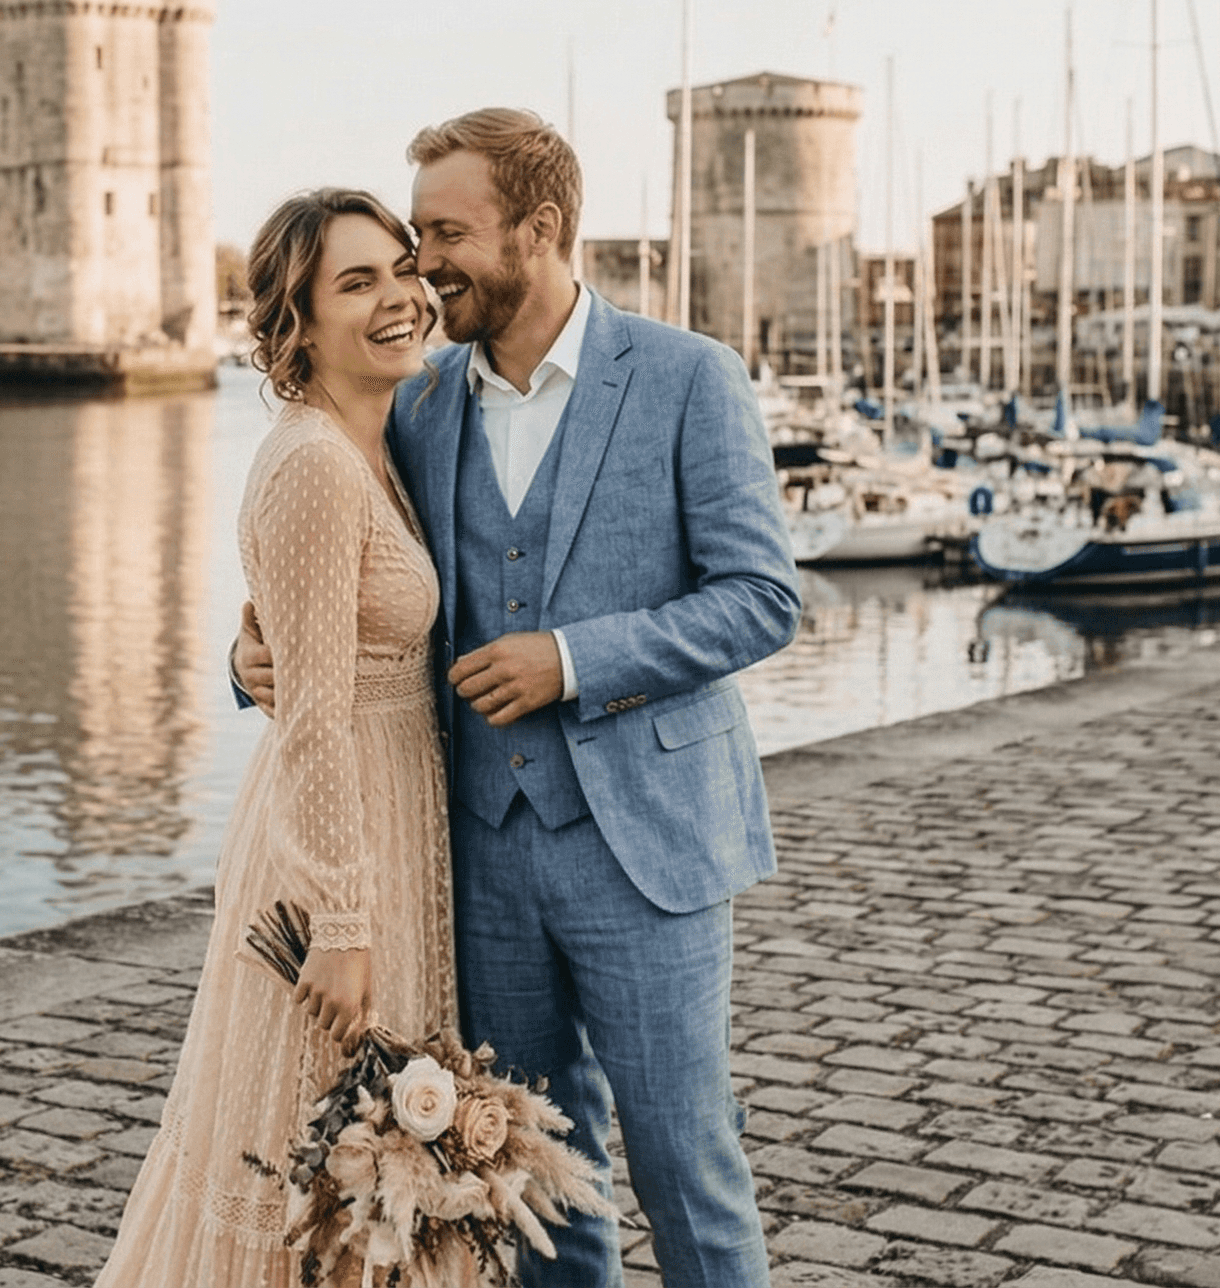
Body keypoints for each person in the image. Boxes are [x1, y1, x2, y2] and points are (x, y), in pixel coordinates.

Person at [238, 109, 799, 1286]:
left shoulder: (689, 377)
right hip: (475, 856)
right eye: (411, 238)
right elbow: (332, 571)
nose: (423, 265)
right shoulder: (421, 397)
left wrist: (573, 657)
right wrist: (251, 661)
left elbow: (760, 598)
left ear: (538, 229)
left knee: (686, 1161)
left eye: (444, 234)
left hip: (647, 846)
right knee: (531, 1178)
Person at [97, 189, 458, 1287]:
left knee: (381, 1161)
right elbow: (308, 716)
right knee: (320, 1156)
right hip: (333, 847)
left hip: (392, 814)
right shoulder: (311, 461)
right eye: (358, 282)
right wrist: (342, 921)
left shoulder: (383, 434)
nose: (400, 294)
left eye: (402, 267)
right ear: (294, 326)